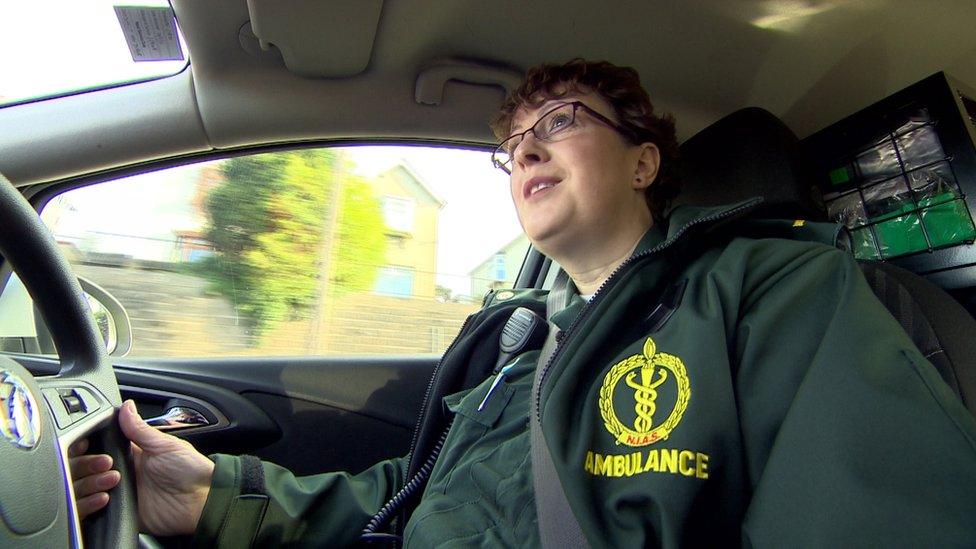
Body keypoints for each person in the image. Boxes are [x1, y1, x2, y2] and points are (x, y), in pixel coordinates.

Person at [71, 59, 976, 547]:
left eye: (562, 122)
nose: (528, 151)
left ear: (644, 161)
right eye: (513, 145)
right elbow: (422, 501)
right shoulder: (519, 341)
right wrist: (221, 493)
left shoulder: (770, 288)